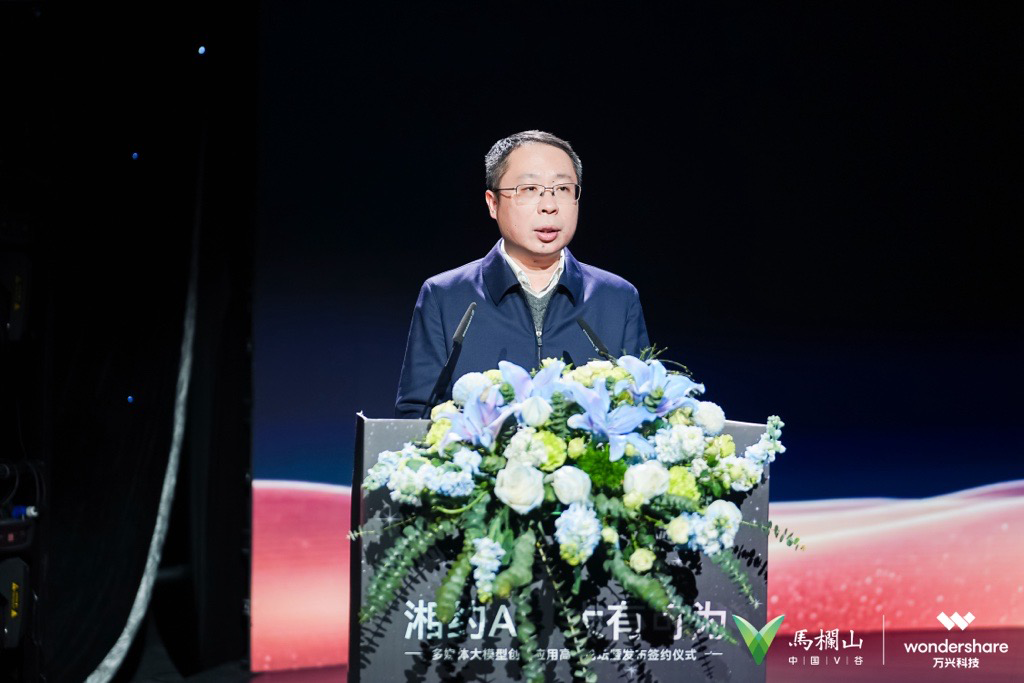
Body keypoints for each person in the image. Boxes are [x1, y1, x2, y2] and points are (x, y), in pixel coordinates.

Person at [395, 130, 650, 418]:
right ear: (493, 203)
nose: (549, 206)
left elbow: (643, 413)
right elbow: (414, 416)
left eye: (563, 189)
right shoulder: (445, 296)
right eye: (529, 189)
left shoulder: (617, 298)